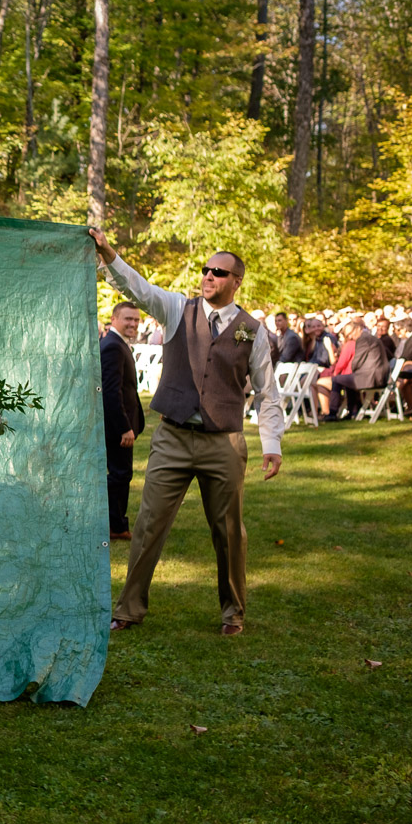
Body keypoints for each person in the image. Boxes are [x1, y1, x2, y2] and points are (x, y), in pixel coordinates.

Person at [90, 229, 285, 636]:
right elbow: (139, 289)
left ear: (236, 281)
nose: (209, 276)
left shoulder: (254, 330)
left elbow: (268, 392)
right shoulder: (179, 310)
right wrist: (109, 254)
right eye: (206, 269)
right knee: (148, 524)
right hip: (172, 437)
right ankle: (128, 608)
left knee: (229, 530)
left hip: (224, 442)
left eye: (219, 271)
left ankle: (233, 613)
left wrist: (272, 445)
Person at [100, 301, 145, 541]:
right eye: (128, 319)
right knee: (119, 475)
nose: (133, 324)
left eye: (136, 320)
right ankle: (115, 526)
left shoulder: (117, 343)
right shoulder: (113, 347)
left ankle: (116, 523)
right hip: (118, 427)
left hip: (122, 425)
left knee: (120, 475)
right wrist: (124, 427)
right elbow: (110, 392)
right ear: (114, 318)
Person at [318, 319, 389, 419]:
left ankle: (333, 412)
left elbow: (357, 361)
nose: (350, 337)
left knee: (336, 379)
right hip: (378, 375)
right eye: (347, 335)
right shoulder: (371, 338)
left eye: (350, 333)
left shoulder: (363, 339)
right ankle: (353, 412)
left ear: (358, 329)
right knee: (347, 379)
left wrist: (352, 369)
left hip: (372, 377)